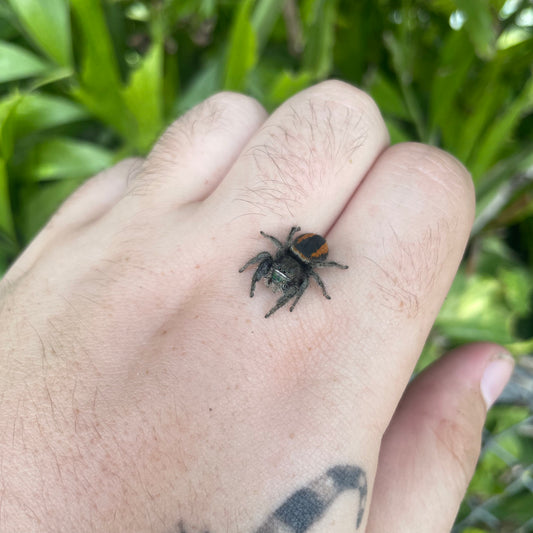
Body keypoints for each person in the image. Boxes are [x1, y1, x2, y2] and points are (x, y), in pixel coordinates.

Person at [0, 80, 514, 533]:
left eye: (280, 279)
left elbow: (300, 271)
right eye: (275, 276)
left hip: (307, 250)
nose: (275, 280)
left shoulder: (302, 268)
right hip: (300, 247)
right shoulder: (278, 258)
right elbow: (269, 254)